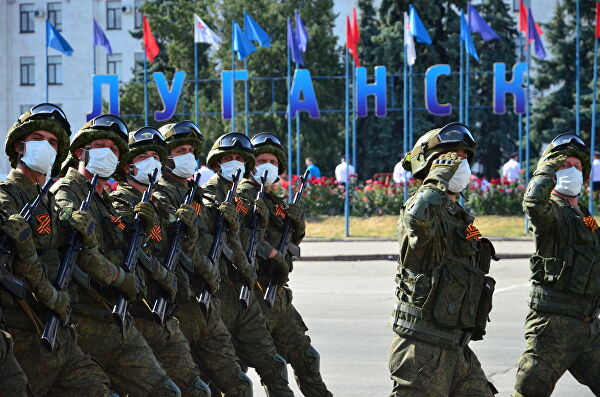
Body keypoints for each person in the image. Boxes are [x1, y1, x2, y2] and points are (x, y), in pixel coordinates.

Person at [52, 114, 180, 396]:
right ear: (80, 151)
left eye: (113, 149)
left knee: (166, 390)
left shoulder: (103, 199)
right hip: (84, 318)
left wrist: (142, 231)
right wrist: (124, 279)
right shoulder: (66, 192)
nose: (107, 153)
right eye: (100, 145)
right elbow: (79, 253)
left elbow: (122, 248)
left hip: (114, 317)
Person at [0, 104, 116, 396]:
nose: (47, 147)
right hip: (22, 331)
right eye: (38, 138)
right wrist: (53, 297)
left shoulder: (48, 201)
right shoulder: (5, 196)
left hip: (60, 329)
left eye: (53, 142)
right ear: (19, 146)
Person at [389, 122, 498, 396]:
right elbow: (417, 219)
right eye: (450, 158)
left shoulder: (459, 216)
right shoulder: (419, 209)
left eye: (463, 158)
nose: (458, 164)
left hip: (457, 348)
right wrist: (436, 179)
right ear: (430, 165)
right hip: (423, 350)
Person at [110, 126, 211, 397]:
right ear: (128, 166)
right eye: (143, 157)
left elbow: (178, 254)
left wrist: (187, 232)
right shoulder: (119, 204)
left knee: (196, 388)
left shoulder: (160, 205)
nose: (152, 162)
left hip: (166, 313)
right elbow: (126, 255)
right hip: (137, 314)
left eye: (156, 155)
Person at [155, 121, 253, 397]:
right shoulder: (159, 195)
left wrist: (230, 224)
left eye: (189, 149)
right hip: (180, 306)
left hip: (207, 305)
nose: (186, 155)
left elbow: (215, 240)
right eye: (179, 150)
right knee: (192, 387)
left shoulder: (195, 194)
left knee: (238, 383)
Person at [237, 133, 333, 397]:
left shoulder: (275, 202)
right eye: (260, 160)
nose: (267, 165)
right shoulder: (242, 197)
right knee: (249, 371)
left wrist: (297, 225)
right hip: (252, 297)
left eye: (271, 161)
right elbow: (239, 237)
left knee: (306, 358)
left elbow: (288, 240)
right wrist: (271, 254)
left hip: (277, 296)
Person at [203, 132, 295, 396]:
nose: (234, 163)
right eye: (227, 158)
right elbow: (215, 240)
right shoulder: (210, 194)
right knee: (223, 376)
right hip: (220, 293)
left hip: (245, 294)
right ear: (217, 162)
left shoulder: (244, 195)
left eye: (238, 158)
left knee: (273, 366)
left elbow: (254, 235)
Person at [512, 133, 600, 397]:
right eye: (564, 166)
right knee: (529, 391)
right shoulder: (549, 211)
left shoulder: (584, 216)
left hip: (588, 328)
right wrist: (547, 167)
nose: (571, 172)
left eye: (576, 167)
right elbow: (533, 203)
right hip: (553, 327)